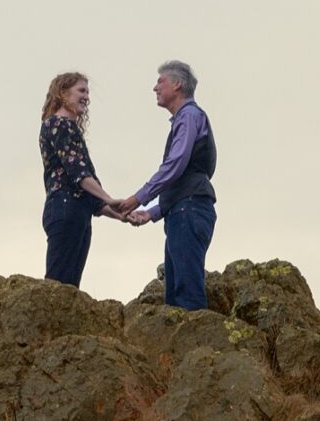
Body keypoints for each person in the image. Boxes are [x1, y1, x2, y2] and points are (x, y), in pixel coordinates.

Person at [113, 61, 217, 310]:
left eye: (160, 81)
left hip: (188, 211)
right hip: (183, 210)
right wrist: (151, 213)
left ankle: (196, 346)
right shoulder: (187, 118)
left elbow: (176, 163)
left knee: (186, 293)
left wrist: (139, 198)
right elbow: (184, 175)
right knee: (176, 294)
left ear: (177, 84)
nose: (155, 87)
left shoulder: (190, 116)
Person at [38, 72, 121, 288]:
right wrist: (109, 199)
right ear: (62, 93)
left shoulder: (68, 127)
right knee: (58, 286)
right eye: (81, 91)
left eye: (87, 92)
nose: (86, 97)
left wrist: (122, 214)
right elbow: (79, 174)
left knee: (69, 287)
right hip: (65, 208)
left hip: (77, 211)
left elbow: (89, 195)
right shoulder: (59, 124)